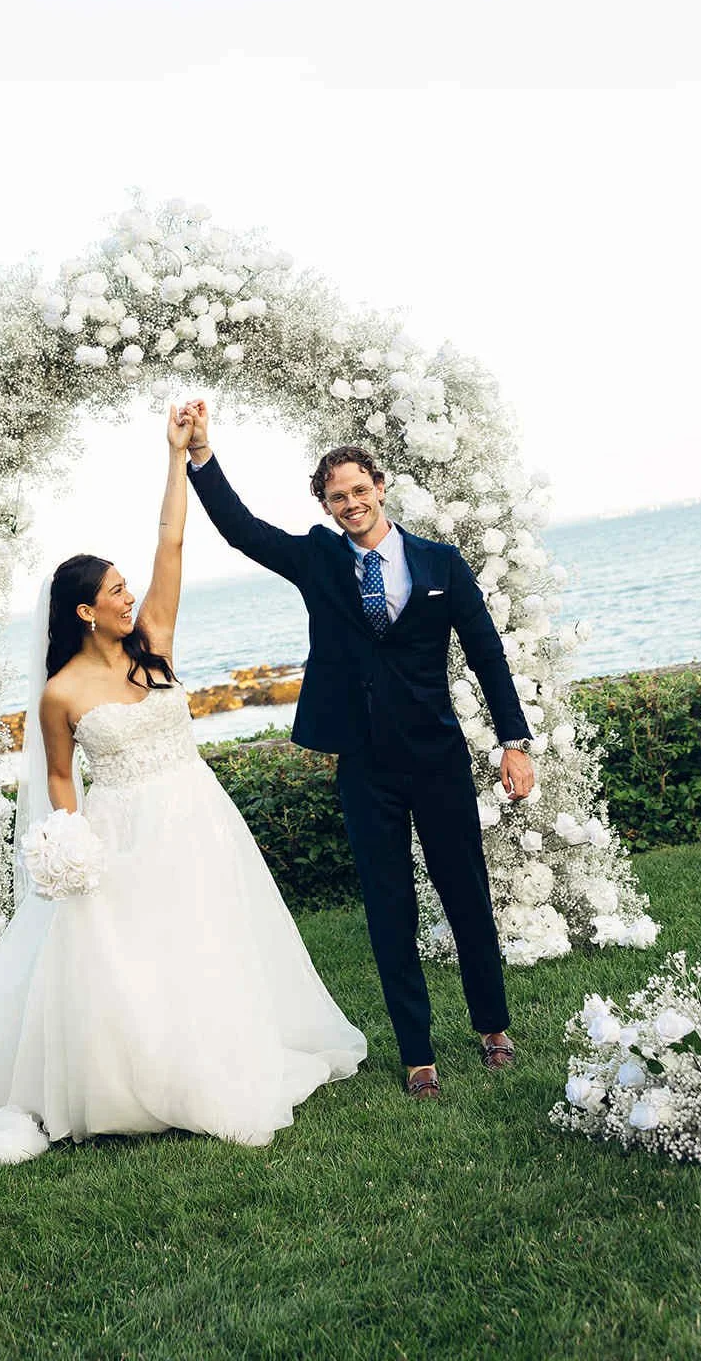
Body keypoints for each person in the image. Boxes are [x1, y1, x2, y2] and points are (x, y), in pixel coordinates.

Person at [0, 405, 366, 1157]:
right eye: (113, 591)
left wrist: (178, 458)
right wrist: (68, 842)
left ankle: (215, 1055)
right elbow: (57, 777)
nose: (127, 596)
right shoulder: (60, 695)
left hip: (196, 815)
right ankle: (144, 1075)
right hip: (120, 832)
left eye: (123, 587)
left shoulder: (156, 644)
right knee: (136, 959)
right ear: (84, 611)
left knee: (208, 940)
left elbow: (170, 541)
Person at [181, 398, 536, 1102]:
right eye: (335, 496)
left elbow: (487, 655)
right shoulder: (316, 559)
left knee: (465, 894)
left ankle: (492, 1027)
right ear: (325, 502)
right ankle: (416, 1054)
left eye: (358, 491)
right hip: (363, 765)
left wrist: (513, 742)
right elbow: (241, 530)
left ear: (380, 488)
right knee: (387, 906)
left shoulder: (440, 563)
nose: (349, 504)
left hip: (434, 756)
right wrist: (201, 456)